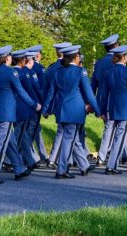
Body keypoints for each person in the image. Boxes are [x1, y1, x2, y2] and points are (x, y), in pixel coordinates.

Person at [0, 46, 38, 184]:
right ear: (7, 58)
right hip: (6, 113)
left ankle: (19, 168)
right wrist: (34, 104)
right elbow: (21, 91)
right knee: (0, 144)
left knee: (10, 141)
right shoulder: (10, 72)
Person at [43, 45, 99, 178]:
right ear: (76, 57)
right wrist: (98, 110)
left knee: (73, 139)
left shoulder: (58, 72)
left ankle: (84, 165)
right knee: (70, 139)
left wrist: (45, 109)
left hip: (61, 110)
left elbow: (51, 93)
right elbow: (89, 94)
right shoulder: (80, 71)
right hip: (74, 111)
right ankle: (62, 170)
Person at [98, 45, 127, 173]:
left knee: (123, 135)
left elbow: (104, 93)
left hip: (112, 107)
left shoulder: (108, 72)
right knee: (120, 137)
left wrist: (101, 110)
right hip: (124, 108)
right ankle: (111, 165)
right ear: (124, 57)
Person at [91, 35, 119, 166]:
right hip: (114, 97)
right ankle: (104, 154)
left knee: (111, 126)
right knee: (113, 127)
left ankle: (114, 152)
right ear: (116, 45)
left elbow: (94, 83)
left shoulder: (100, 62)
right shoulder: (116, 61)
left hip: (101, 97)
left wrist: (91, 100)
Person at [12, 49, 41, 172]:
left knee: (23, 134)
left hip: (16, 107)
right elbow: (31, 91)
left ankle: (29, 159)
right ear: (23, 60)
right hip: (23, 107)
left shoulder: (12, 72)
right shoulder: (24, 73)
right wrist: (36, 105)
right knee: (18, 135)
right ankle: (10, 161)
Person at [44, 42, 71, 167]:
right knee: (70, 132)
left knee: (62, 130)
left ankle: (56, 158)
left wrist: (46, 107)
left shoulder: (51, 68)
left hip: (56, 103)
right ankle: (62, 159)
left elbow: (47, 89)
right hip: (70, 104)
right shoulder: (69, 68)